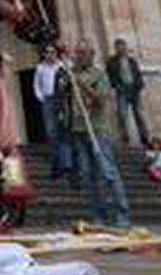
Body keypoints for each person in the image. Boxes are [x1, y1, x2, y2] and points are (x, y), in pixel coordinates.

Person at [61, 40, 130, 227]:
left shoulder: (99, 75)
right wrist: (67, 79)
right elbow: (61, 94)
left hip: (97, 129)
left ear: (91, 55)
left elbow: (100, 100)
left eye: (83, 53)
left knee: (108, 172)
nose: (79, 56)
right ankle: (99, 215)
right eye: (77, 53)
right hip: (78, 129)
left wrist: (81, 84)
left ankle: (121, 214)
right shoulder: (71, 74)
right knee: (89, 175)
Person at [33, 43, 72, 182]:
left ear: (56, 53)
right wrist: (41, 98)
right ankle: (58, 162)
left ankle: (67, 163)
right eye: (47, 52)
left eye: (52, 52)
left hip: (62, 99)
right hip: (48, 101)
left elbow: (71, 77)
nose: (50, 55)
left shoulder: (62, 66)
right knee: (51, 132)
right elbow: (36, 85)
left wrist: (66, 57)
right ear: (44, 54)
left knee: (64, 130)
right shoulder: (40, 68)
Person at [106, 38, 149, 147]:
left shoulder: (131, 61)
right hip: (122, 90)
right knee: (122, 114)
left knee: (139, 114)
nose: (121, 49)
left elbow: (137, 73)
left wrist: (139, 85)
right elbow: (110, 75)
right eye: (118, 47)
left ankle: (144, 137)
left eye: (123, 46)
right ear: (116, 48)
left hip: (134, 89)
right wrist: (115, 86)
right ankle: (124, 137)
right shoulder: (111, 62)